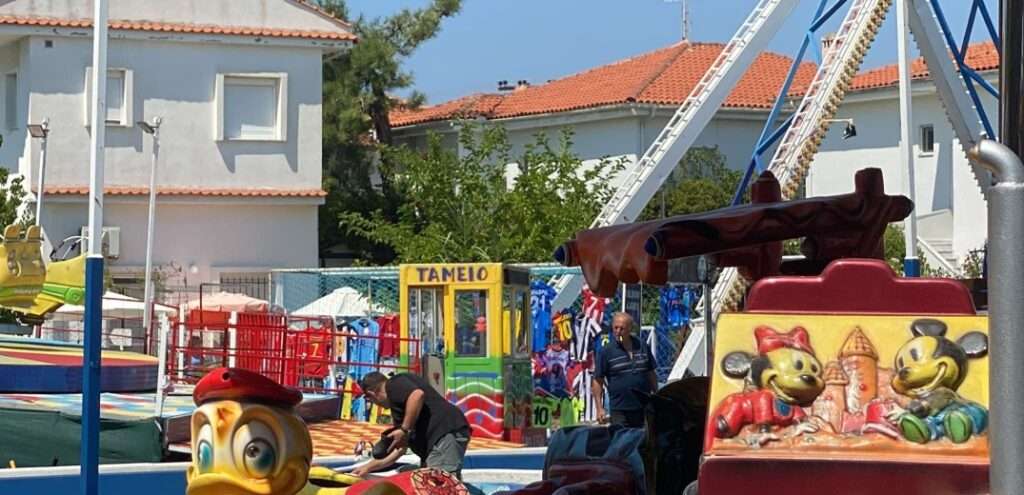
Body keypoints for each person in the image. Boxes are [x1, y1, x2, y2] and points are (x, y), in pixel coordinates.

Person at [352, 371, 471, 478]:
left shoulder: (394, 383)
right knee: (430, 482)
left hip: (443, 434)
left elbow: (417, 395)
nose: (375, 404)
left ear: (372, 393)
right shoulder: (399, 410)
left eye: (369, 399)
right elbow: (399, 450)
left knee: (440, 484)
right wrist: (368, 467)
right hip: (437, 442)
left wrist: (404, 429)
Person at [592, 312, 658, 428]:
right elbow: (598, 381)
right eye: (615, 328)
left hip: (643, 407)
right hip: (620, 409)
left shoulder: (642, 346)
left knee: (643, 437)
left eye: (622, 329)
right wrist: (599, 408)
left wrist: (656, 396)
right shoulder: (606, 351)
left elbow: (651, 373)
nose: (618, 332)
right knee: (621, 437)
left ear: (630, 329)